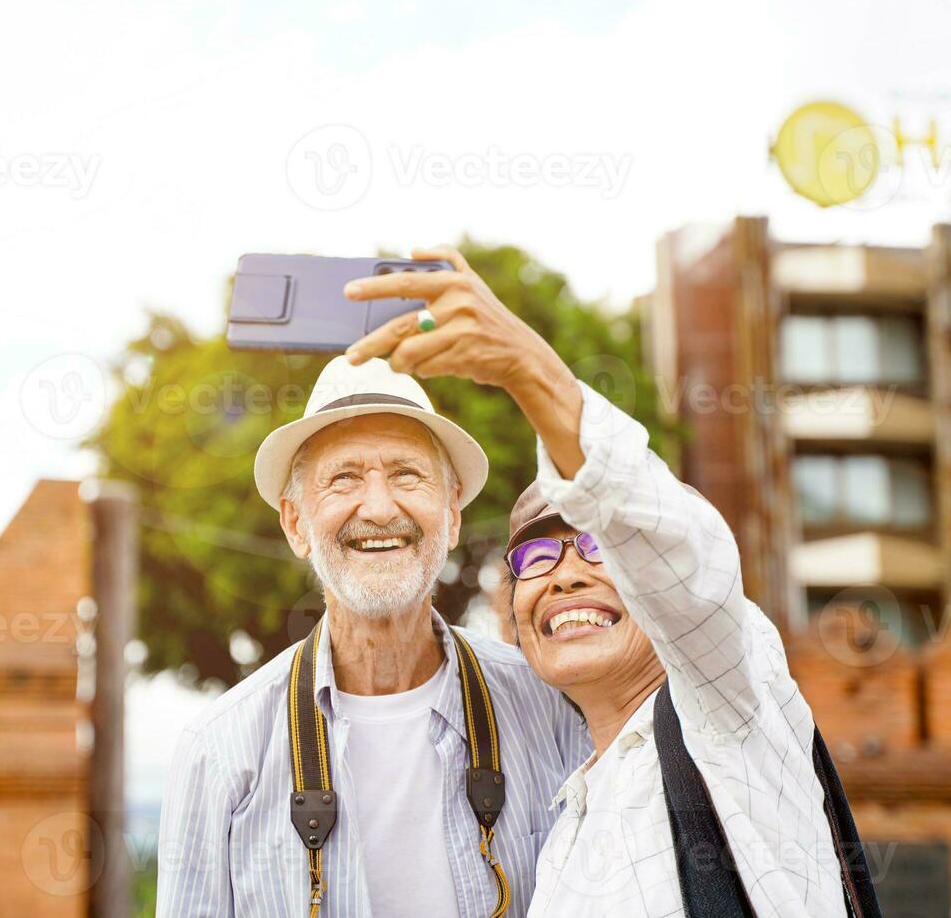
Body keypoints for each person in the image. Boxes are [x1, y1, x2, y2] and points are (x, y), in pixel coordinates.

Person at [342, 246, 861, 916]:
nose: (563, 576)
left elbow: (682, 556)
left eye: (596, 547)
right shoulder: (565, 829)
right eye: (536, 558)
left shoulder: (730, 707)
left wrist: (530, 372)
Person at [155, 320, 591, 917]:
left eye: (407, 474)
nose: (380, 507)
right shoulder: (221, 752)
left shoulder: (550, 709)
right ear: (295, 524)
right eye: (345, 479)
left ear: (453, 516)